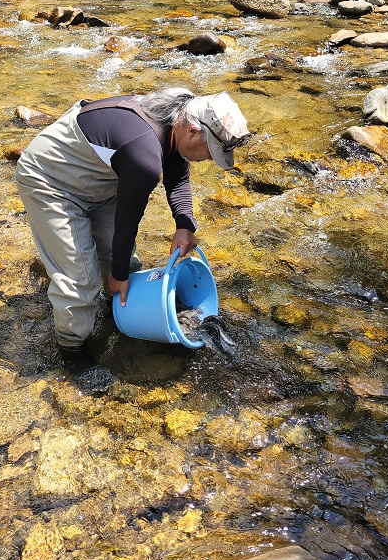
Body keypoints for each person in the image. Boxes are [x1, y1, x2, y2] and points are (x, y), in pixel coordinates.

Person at [14, 87, 250, 366]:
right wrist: (118, 273)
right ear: (194, 132)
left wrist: (185, 223)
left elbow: (177, 175)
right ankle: (72, 354)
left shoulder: (178, 114)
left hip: (97, 178)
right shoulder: (144, 153)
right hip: (50, 180)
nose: (208, 160)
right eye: (210, 152)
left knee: (126, 268)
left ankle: (119, 317)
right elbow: (128, 220)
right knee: (79, 282)